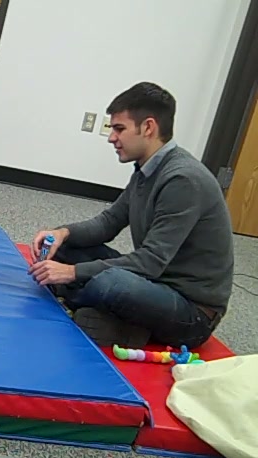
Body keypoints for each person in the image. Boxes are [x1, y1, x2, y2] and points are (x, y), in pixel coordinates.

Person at [28, 82, 234, 349]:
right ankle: (111, 318)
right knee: (66, 246)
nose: (111, 137)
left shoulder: (183, 180)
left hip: (192, 313)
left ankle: (105, 315)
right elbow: (108, 223)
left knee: (110, 282)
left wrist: (72, 272)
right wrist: (62, 233)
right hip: (155, 283)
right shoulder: (146, 169)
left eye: (119, 129)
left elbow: (149, 262)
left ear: (148, 127)